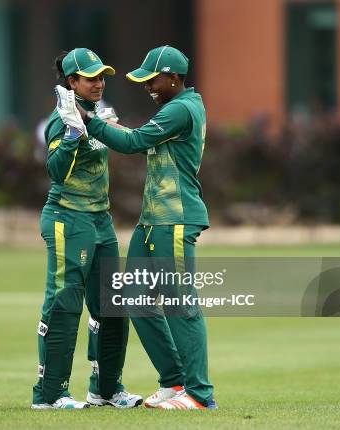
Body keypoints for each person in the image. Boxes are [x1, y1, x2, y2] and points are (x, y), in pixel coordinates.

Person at [62, 45, 216, 410]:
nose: (147, 85)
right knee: (134, 299)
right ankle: (174, 382)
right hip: (153, 222)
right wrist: (98, 120)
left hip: (175, 220)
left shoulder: (182, 108)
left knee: (180, 305)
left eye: (153, 79)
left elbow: (134, 142)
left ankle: (198, 394)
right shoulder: (173, 107)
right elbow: (135, 134)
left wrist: (88, 119)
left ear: (174, 78)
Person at [31, 48, 142, 409]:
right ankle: (50, 394)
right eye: (90, 77)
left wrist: (95, 124)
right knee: (64, 304)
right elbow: (55, 170)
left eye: (101, 76)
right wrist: (74, 133)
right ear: (71, 81)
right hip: (67, 218)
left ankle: (106, 390)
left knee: (112, 305)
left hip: (100, 220)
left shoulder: (96, 114)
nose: (99, 83)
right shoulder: (59, 120)